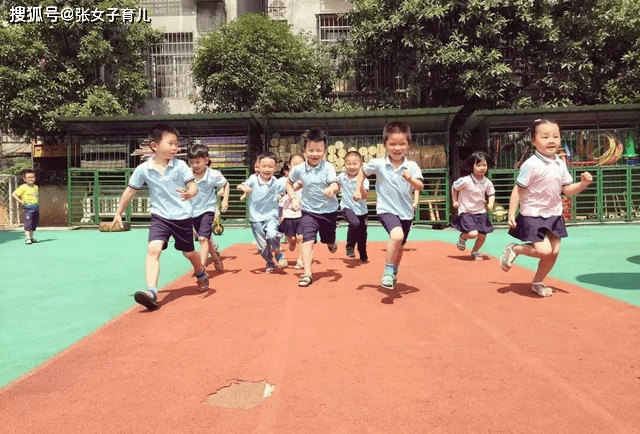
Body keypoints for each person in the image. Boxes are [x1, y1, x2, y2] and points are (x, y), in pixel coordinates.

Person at [110, 124, 209, 310]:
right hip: (160, 216)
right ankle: (152, 292)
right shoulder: (143, 169)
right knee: (153, 249)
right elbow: (130, 191)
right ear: (154, 146)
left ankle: (200, 271)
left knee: (188, 253)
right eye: (170, 143)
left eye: (177, 144)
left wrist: (190, 193)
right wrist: (118, 212)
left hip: (182, 217)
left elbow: (193, 186)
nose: (175, 148)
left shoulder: (180, 166)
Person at [500, 119, 593, 297]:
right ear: (534, 141)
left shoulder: (559, 163)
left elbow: (567, 189)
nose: (551, 140)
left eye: (555, 136)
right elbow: (518, 190)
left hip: (554, 213)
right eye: (545, 136)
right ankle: (515, 248)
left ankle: (537, 282)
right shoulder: (531, 164)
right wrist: (511, 213)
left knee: (554, 252)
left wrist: (583, 184)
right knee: (544, 251)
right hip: (533, 214)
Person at [355, 121, 424, 289]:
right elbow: (362, 171)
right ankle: (387, 271)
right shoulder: (378, 163)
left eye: (402, 144)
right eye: (392, 144)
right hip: (386, 209)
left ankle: (393, 271)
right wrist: (358, 189)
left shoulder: (412, 166)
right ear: (385, 144)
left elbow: (420, 186)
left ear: (408, 146)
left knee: (400, 246)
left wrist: (410, 179)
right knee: (397, 236)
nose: (397, 148)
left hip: (406, 213)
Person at [287, 127, 339, 287]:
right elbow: (288, 183)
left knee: (328, 238)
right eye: (311, 150)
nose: (314, 154)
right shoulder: (299, 169)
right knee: (306, 239)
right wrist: (293, 197)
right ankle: (307, 274)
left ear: (325, 151)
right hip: (309, 212)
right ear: (304, 151)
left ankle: (331, 243)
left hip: (328, 212)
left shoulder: (328, 167)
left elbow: (336, 184)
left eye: (319, 150)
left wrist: (332, 189)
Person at [238, 152, 288, 273]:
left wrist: (280, 196)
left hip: (271, 215)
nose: (267, 169)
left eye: (270, 167)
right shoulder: (253, 180)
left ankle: (278, 252)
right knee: (262, 246)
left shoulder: (277, 182)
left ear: (275, 168)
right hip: (255, 218)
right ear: (258, 167)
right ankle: (270, 263)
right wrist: (243, 188)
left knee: (272, 235)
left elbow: (283, 192)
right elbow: (240, 186)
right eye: (264, 166)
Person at [187, 144, 229, 271]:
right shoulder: (186, 174)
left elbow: (226, 184)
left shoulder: (213, 175)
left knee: (202, 238)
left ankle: (201, 268)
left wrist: (225, 200)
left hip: (207, 210)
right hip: (192, 212)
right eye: (192, 162)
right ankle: (216, 258)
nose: (195, 165)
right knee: (207, 239)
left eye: (198, 162)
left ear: (206, 160)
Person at [451, 151, 496, 260]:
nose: (482, 168)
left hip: (481, 212)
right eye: (478, 165)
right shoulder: (465, 181)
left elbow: (491, 194)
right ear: (472, 166)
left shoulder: (487, 182)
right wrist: (454, 201)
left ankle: (475, 251)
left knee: (482, 236)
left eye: (484, 165)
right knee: (473, 233)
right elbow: (454, 187)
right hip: (467, 212)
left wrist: (491, 203)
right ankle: (462, 237)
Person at [337, 151, 369, 262]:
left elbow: (365, 196)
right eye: (349, 164)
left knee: (362, 234)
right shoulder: (341, 177)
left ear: (360, 165)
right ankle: (350, 247)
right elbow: (334, 184)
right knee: (354, 223)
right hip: (347, 207)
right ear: (344, 164)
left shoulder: (364, 180)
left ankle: (362, 250)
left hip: (362, 210)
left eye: (355, 164)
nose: (352, 167)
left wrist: (360, 189)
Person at [278, 153, 305, 269]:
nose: (298, 166)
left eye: (301, 164)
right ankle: (291, 242)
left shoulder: (306, 179)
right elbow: (277, 196)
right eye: (295, 164)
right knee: (291, 237)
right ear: (289, 166)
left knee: (301, 238)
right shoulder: (282, 181)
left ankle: (300, 260)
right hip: (288, 214)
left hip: (303, 212)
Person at [12, 169, 39, 244]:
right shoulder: (23, 187)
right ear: (24, 179)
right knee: (28, 223)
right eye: (29, 177)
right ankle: (28, 238)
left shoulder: (36, 187)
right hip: (28, 207)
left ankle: (31, 237)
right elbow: (14, 194)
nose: (31, 179)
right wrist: (21, 202)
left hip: (35, 206)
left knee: (34, 223)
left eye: (33, 177)